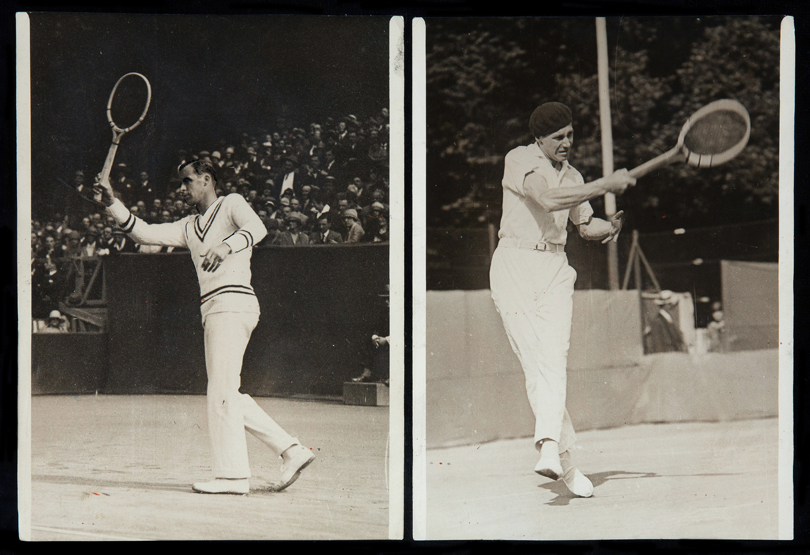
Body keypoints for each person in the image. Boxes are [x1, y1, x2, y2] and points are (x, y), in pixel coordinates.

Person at [94, 159, 315, 495]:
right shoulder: (188, 226)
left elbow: (258, 229)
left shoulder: (232, 203)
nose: (182, 188)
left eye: (187, 181)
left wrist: (226, 246)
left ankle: (233, 477)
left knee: (220, 392)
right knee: (227, 392)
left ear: (206, 180)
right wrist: (111, 201)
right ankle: (291, 450)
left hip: (233, 303)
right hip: (215, 308)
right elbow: (144, 231)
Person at [489, 102, 635, 498]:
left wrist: (609, 226)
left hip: (555, 269)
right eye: (558, 137)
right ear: (538, 139)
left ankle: (549, 447)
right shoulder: (520, 159)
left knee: (553, 357)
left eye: (570, 135)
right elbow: (547, 200)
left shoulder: (573, 176)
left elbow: (583, 225)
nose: (567, 143)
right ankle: (566, 466)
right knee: (536, 367)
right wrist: (605, 184)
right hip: (515, 265)